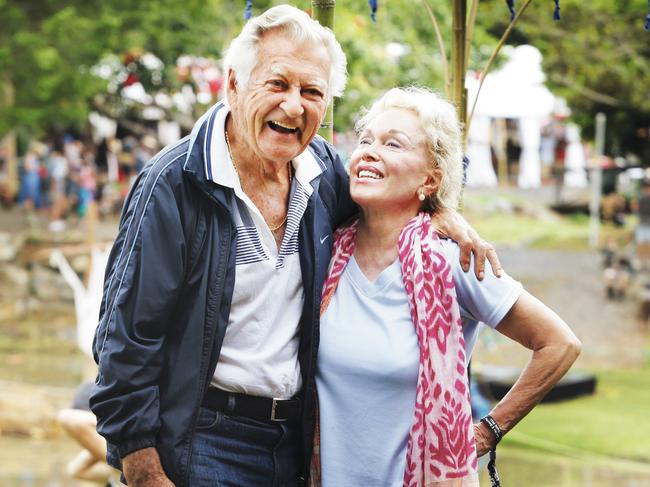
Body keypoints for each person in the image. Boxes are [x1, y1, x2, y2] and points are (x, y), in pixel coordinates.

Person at [89, 7, 499, 487]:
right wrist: (142, 468)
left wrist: (437, 211)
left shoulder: (324, 175)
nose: (293, 106)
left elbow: (394, 190)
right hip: (202, 438)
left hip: (296, 444)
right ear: (235, 84)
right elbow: (124, 343)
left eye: (312, 92)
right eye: (277, 84)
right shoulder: (174, 183)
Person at [312, 87, 582, 486]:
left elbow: (559, 344)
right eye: (365, 139)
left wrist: (487, 430)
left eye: (393, 143)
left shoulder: (453, 261)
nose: (369, 151)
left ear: (430, 178)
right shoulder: (325, 251)